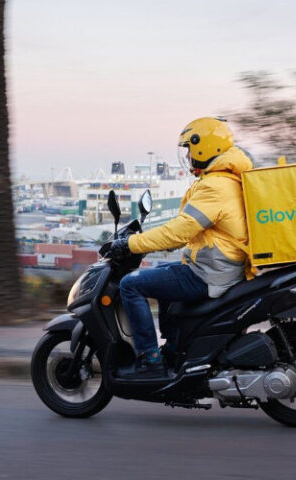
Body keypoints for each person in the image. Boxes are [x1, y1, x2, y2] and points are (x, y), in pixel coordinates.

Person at [108, 117, 253, 378]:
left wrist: (130, 244)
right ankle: (174, 348)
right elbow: (185, 230)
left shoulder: (215, 187)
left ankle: (150, 359)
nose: (187, 155)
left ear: (204, 147)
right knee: (162, 275)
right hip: (215, 267)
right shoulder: (223, 180)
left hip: (210, 273)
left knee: (130, 285)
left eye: (189, 149)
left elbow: (178, 233)